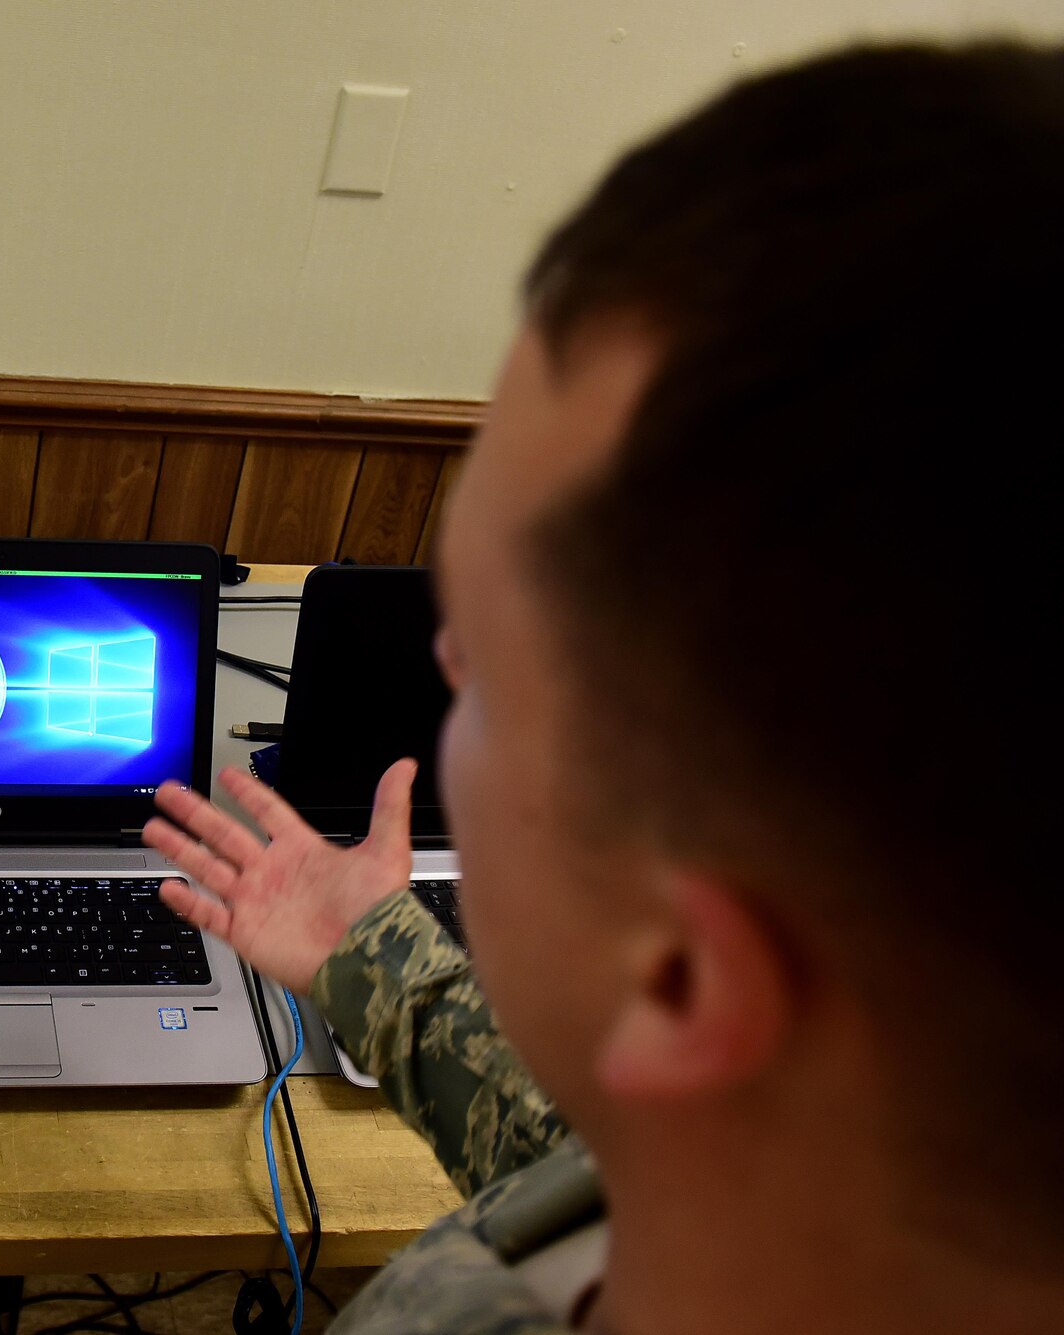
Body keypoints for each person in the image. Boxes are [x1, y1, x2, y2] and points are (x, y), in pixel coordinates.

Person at [144, 41, 1063, 1334]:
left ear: (687, 982)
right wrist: (371, 959)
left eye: (483, 672)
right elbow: (574, 1154)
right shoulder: (795, 1180)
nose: (442, 667)